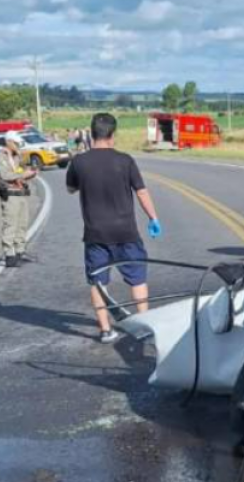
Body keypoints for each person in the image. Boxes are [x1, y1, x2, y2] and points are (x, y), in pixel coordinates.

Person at [66, 113, 162, 343]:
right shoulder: (125, 160)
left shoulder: (79, 162)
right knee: (138, 279)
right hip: (126, 232)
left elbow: (71, 189)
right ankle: (145, 325)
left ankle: (106, 330)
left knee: (98, 282)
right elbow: (141, 191)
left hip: (95, 234)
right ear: (113, 134)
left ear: (91, 133)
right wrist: (153, 218)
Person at [0, 131, 38, 267]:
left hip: (21, 192)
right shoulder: (0, 155)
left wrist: (29, 174)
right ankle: (9, 255)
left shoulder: (16, 156)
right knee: (10, 224)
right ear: (9, 141)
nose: (18, 145)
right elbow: (5, 174)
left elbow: (19, 172)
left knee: (22, 224)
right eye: (16, 143)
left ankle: (20, 251)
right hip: (10, 194)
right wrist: (23, 174)